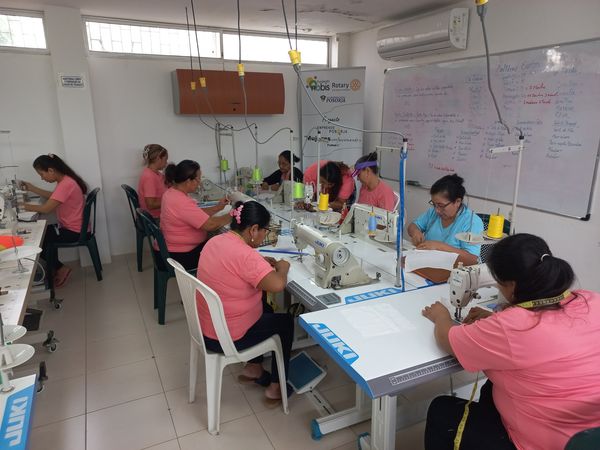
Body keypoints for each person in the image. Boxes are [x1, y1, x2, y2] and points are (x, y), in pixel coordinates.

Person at [422, 233, 600, 450]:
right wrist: (496, 320)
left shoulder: (514, 326)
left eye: (498, 283)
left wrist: (441, 316)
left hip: (544, 443)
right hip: (591, 433)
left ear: (511, 285)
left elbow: (447, 339)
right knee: (490, 388)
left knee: (441, 409)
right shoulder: (591, 299)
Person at [197, 201, 294, 403]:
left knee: (265, 306)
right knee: (286, 323)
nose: (264, 235)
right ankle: (276, 387)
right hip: (226, 337)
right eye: (265, 231)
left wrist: (261, 264)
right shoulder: (246, 255)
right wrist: (283, 267)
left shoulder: (216, 241)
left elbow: (235, 268)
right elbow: (277, 285)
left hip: (205, 328)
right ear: (253, 229)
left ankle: (254, 367)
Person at [21, 154, 88, 288]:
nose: (42, 178)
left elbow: (46, 209)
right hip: (72, 227)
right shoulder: (65, 180)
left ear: (51, 170)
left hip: (74, 231)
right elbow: (54, 196)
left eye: (42, 174)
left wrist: (21, 206)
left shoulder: (65, 184)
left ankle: (60, 268)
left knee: (38, 240)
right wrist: (32, 188)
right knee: (42, 234)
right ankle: (54, 267)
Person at [160, 160, 230, 271]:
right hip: (180, 256)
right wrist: (234, 214)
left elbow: (194, 214)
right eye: (198, 179)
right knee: (225, 248)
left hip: (172, 250)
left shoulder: (171, 193)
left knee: (217, 241)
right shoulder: (180, 201)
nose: (199, 183)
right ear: (188, 181)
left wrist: (217, 207)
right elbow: (210, 225)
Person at [407, 174, 483, 266]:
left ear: (457, 202)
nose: (437, 210)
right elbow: (413, 226)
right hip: (428, 263)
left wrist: (440, 246)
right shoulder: (433, 213)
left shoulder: (472, 222)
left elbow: (472, 259)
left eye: (441, 205)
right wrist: (415, 232)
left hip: (455, 270)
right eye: (434, 204)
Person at [138, 144, 168, 219]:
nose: (166, 163)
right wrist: (170, 201)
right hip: (154, 218)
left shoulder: (155, 173)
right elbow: (151, 205)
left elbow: (166, 182)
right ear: (158, 159)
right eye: (165, 160)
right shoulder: (149, 177)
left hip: (158, 214)